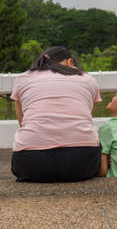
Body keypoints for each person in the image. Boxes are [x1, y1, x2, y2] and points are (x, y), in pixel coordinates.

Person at [10, 46, 102, 182]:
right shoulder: (87, 78)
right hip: (82, 164)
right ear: (70, 62)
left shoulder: (23, 78)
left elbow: (22, 122)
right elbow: (87, 117)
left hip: (30, 165)